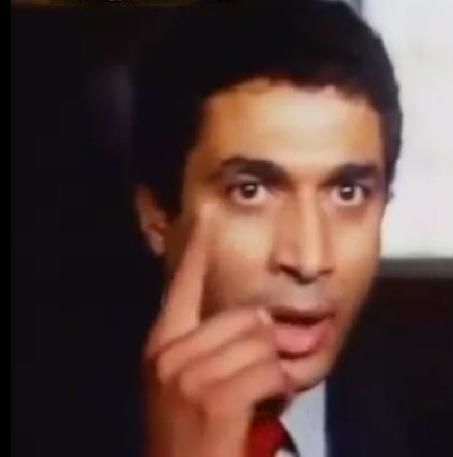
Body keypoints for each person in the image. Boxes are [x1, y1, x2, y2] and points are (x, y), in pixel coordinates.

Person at [130, 2, 407, 456]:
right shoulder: (44, 423)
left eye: (347, 193)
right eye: (251, 191)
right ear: (157, 215)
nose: (310, 260)